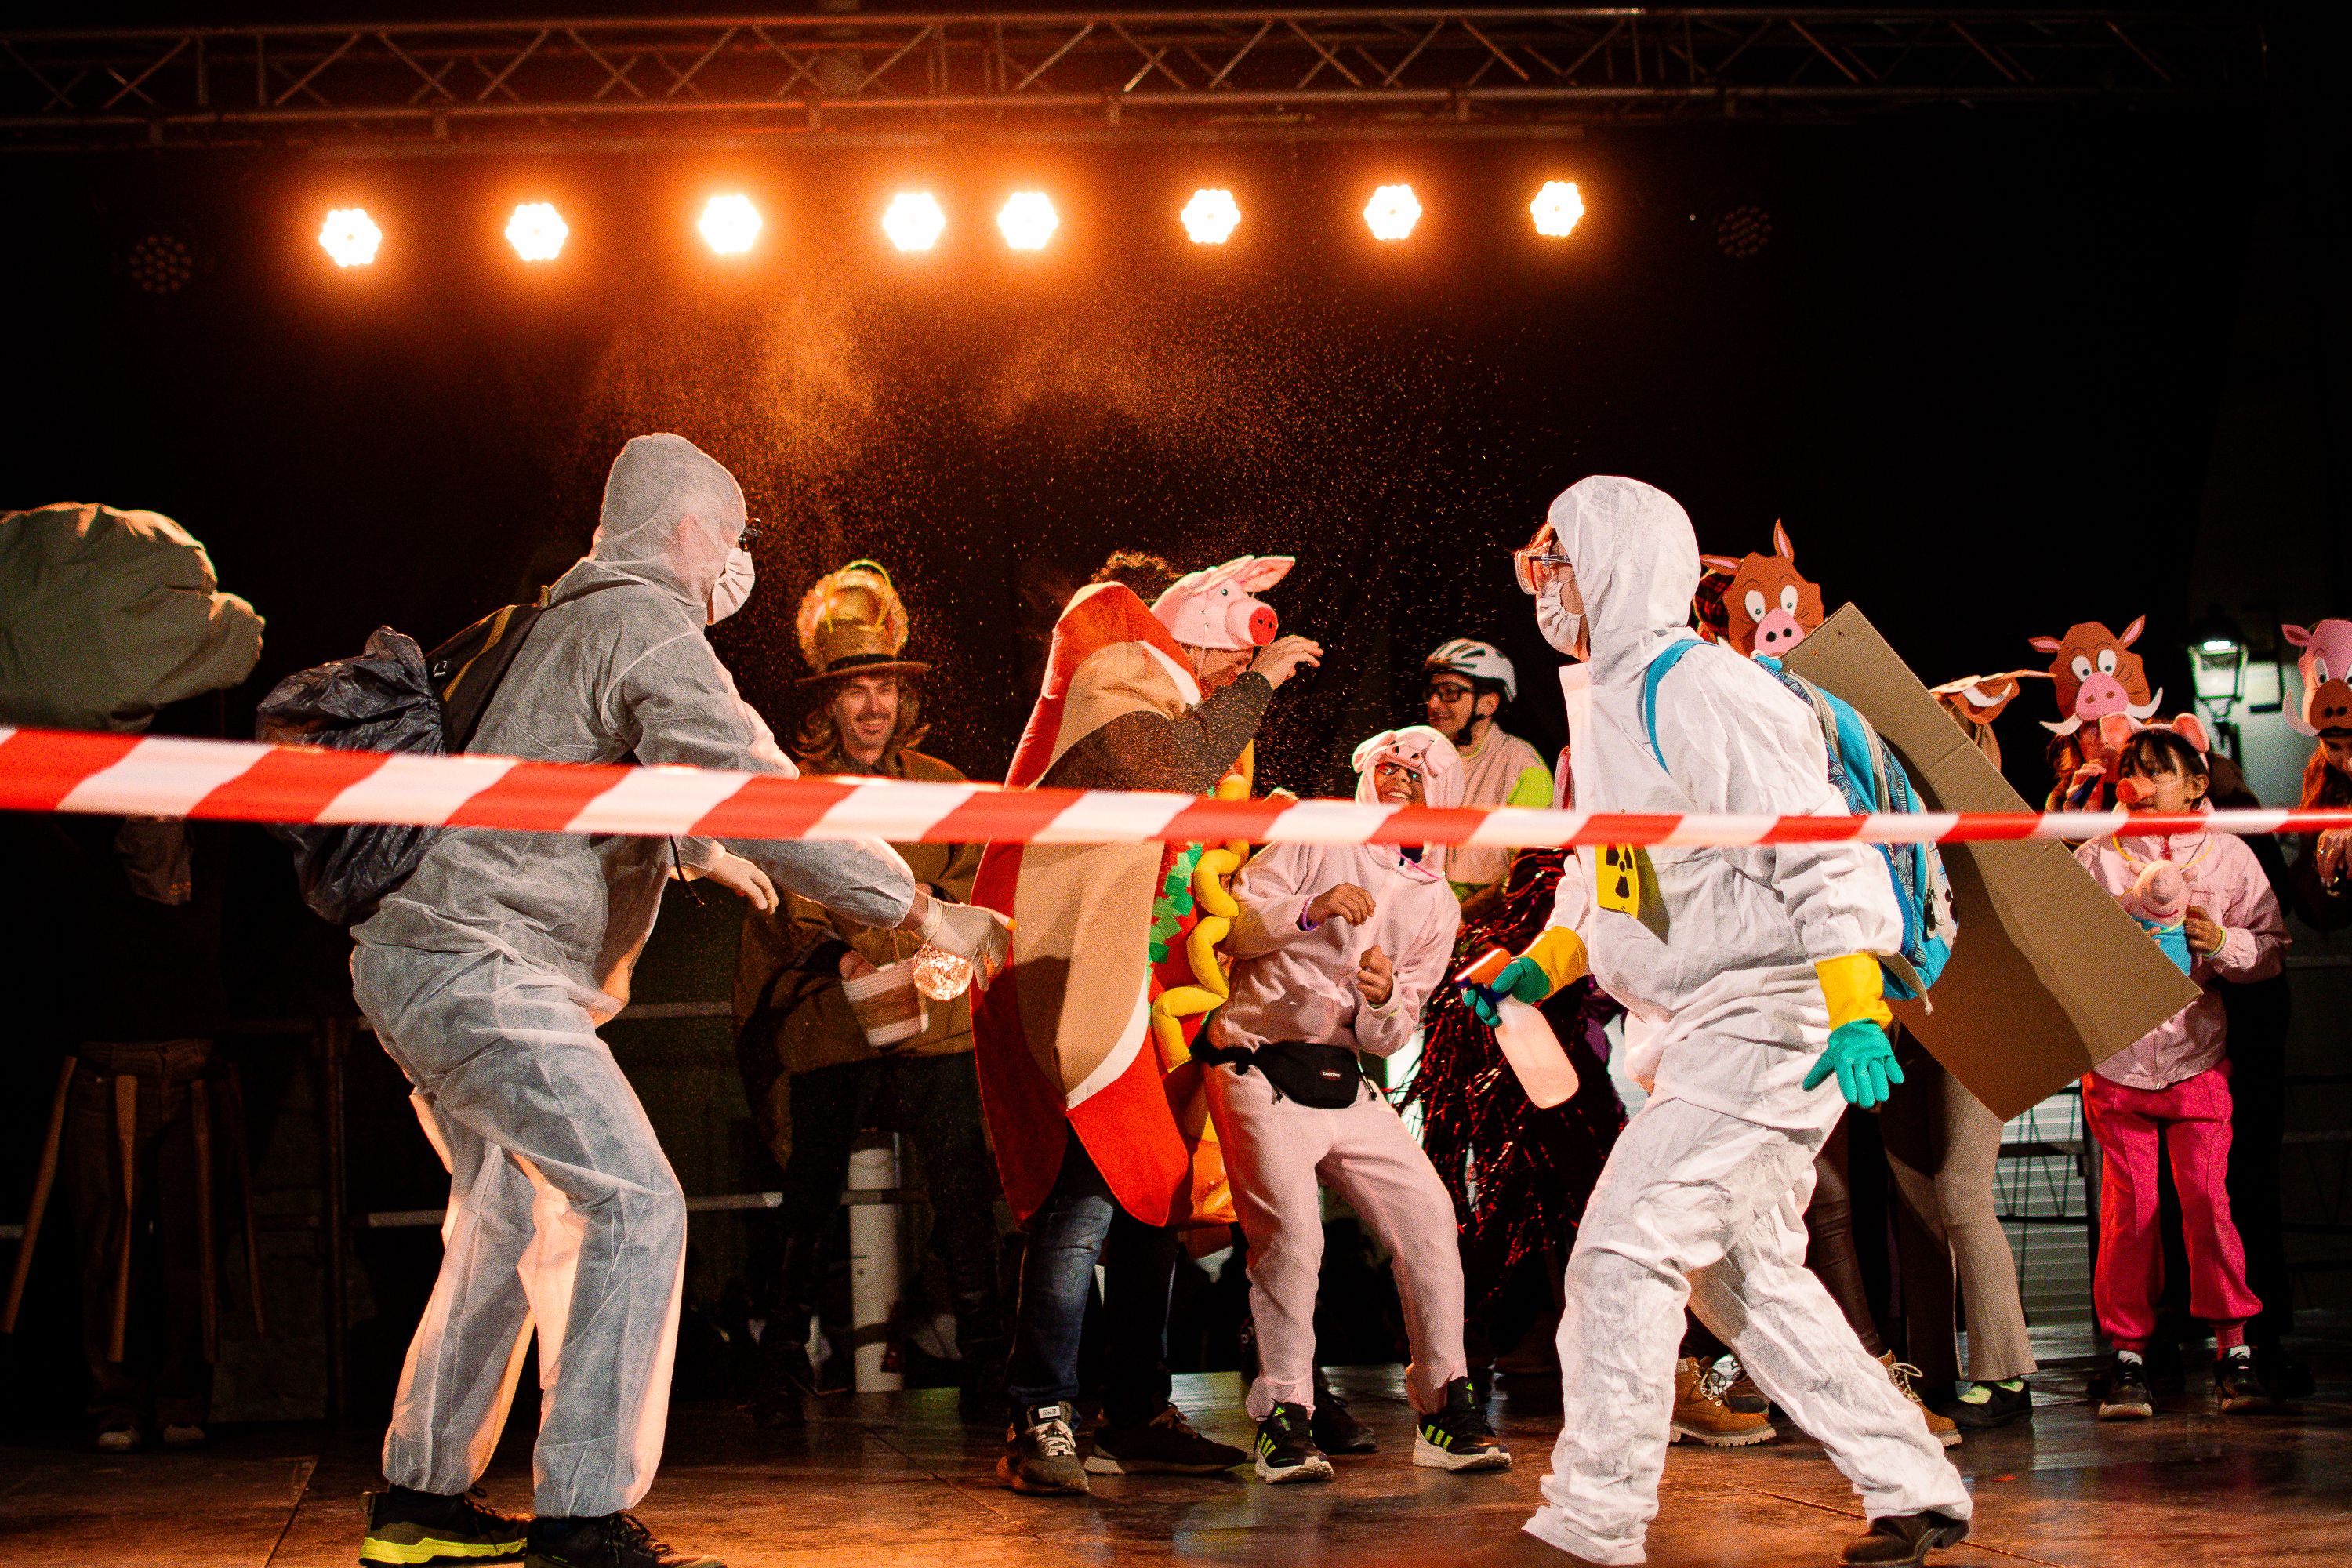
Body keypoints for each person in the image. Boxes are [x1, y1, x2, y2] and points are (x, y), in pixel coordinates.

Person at [350, 436, 1011, 1568]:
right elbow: (763, 792)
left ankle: (418, 1502)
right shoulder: (645, 619)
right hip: (490, 971)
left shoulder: (556, 616)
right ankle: (583, 1520)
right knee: (636, 1203)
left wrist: (699, 850)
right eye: (738, 536)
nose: (742, 563)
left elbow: (584, 767)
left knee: (504, 1219)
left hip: (421, 958)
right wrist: (923, 911)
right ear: (694, 532)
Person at [1465, 476, 1971, 1568]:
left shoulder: (1701, 687)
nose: (1542, 580)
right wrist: (1536, 976)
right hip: (1696, 1026)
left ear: (1613, 561)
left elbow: (1819, 846)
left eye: (1556, 555)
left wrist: (1851, 1007)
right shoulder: (1607, 696)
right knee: (1747, 1283)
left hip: (1772, 1015)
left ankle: (1589, 1526)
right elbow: (1605, 885)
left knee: (1622, 1251)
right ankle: (1914, 1483)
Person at [971, 559, 1320, 1497]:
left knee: (1151, 1195)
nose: (1226, 674)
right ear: (1198, 629)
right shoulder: (1111, 642)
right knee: (1085, 1190)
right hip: (1072, 962)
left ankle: (1135, 1410)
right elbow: (1165, 762)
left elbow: (1190, 875)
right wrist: (1260, 680)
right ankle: (1038, 1411)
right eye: (1228, 647)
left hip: (1136, 978)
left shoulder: (1177, 705)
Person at [1197, 725, 1508, 1483]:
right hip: (1258, 1066)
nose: (1400, 780)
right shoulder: (1316, 829)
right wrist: (1310, 909)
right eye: (1392, 766)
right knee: (1293, 1241)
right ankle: (1286, 1416)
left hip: (1345, 1080)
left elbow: (1400, 1019)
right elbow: (1231, 929)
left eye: (1417, 773)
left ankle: (1443, 1405)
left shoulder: (1439, 907)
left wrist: (1376, 1005)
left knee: (1430, 1218)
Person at [732, 561, 1004, 1423]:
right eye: (856, 688)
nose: (873, 704)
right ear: (828, 700)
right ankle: (781, 1370)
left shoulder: (948, 784)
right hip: (835, 1020)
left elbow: (970, 889)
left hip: (933, 1016)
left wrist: (933, 962)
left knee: (963, 1183)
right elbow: (780, 895)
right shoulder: (795, 789)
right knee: (810, 1193)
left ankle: (991, 1367)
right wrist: (840, 960)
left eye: (884, 684)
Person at [2071, 724, 2283, 1421]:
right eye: (2133, 770)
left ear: (2196, 784)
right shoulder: (2097, 858)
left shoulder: (2230, 857)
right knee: (2130, 1213)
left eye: (2161, 771)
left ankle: (2234, 1348)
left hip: (2197, 1060)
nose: (2144, 783)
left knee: (2206, 1202)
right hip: (2120, 1061)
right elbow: (2059, 945)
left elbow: (2273, 950)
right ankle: (2129, 1356)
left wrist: (2224, 943)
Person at [1421, 638, 1552, 915]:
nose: (1434, 703)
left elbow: (1529, 868)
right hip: (1422, 909)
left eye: (1449, 692)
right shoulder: (1418, 756)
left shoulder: (1521, 766)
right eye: (1432, 691)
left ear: (1489, 703)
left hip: (1485, 922)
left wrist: (1461, 917)